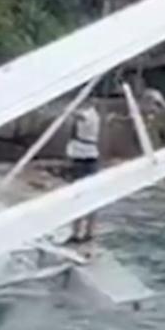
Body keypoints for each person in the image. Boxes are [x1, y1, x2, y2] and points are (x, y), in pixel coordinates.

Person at [66, 102, 101, 243]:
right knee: (78, 196)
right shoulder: (88, 113)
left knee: (86, 196)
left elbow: (80, 116)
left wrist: (69, 109)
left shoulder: (91, 115)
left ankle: (88, 232)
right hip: (80, 157)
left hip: (87, 158)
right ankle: (77, 232)